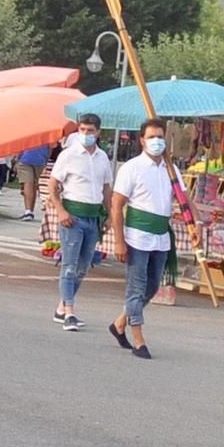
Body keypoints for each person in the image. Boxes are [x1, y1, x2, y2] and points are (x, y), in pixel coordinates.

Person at [108, 117, 176, 360]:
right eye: (151, 137)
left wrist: (196, 222)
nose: (156, 141)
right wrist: (119, 240)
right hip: (137, 235)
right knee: (136, 288)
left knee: (152, 286)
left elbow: (184, 198)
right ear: (142, 140)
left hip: (160, 236)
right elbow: (116, 205)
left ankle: (120, 323)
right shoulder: (132, 168)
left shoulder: (170, 169)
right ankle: (138, 339)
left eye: (160, 136)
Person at [49, 115, 113, 331]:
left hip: (92, 216)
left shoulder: (103, 157)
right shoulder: (68, 155)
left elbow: (106, 188)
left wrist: (110, 214)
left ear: (99, 132)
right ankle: (69, 312)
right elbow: (53, 185)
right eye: (82, 130)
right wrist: (60, 210)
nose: (86, 134)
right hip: (72, 215)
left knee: (83, 267)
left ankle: (61, 306)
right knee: (69, 265)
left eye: (90, 130)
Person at [17, 137, 51, 221]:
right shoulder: (47, 130)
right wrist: (46, 159)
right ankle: (29, 211)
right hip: (40, 159)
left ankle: (28, 211)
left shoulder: (27, 130)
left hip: (26, 158)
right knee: (32, 185)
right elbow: (51, 147)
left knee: (28, 183)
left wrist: (17, 157)